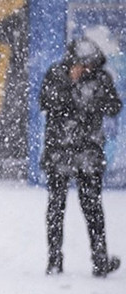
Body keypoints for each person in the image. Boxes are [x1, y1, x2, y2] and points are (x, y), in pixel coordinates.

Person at [39, 37, 122, 277]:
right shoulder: (56, 74)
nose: (86, 69)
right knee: (56, 207)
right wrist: (70, 85)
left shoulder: (101, 78)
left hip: (88, 152)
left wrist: (94, 97)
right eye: (82, 64)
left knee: (93, 207)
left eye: (90, 65)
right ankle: (54, 260)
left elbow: (114, 106)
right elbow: (46, 102)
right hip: (60, 151)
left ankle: (100, 261)